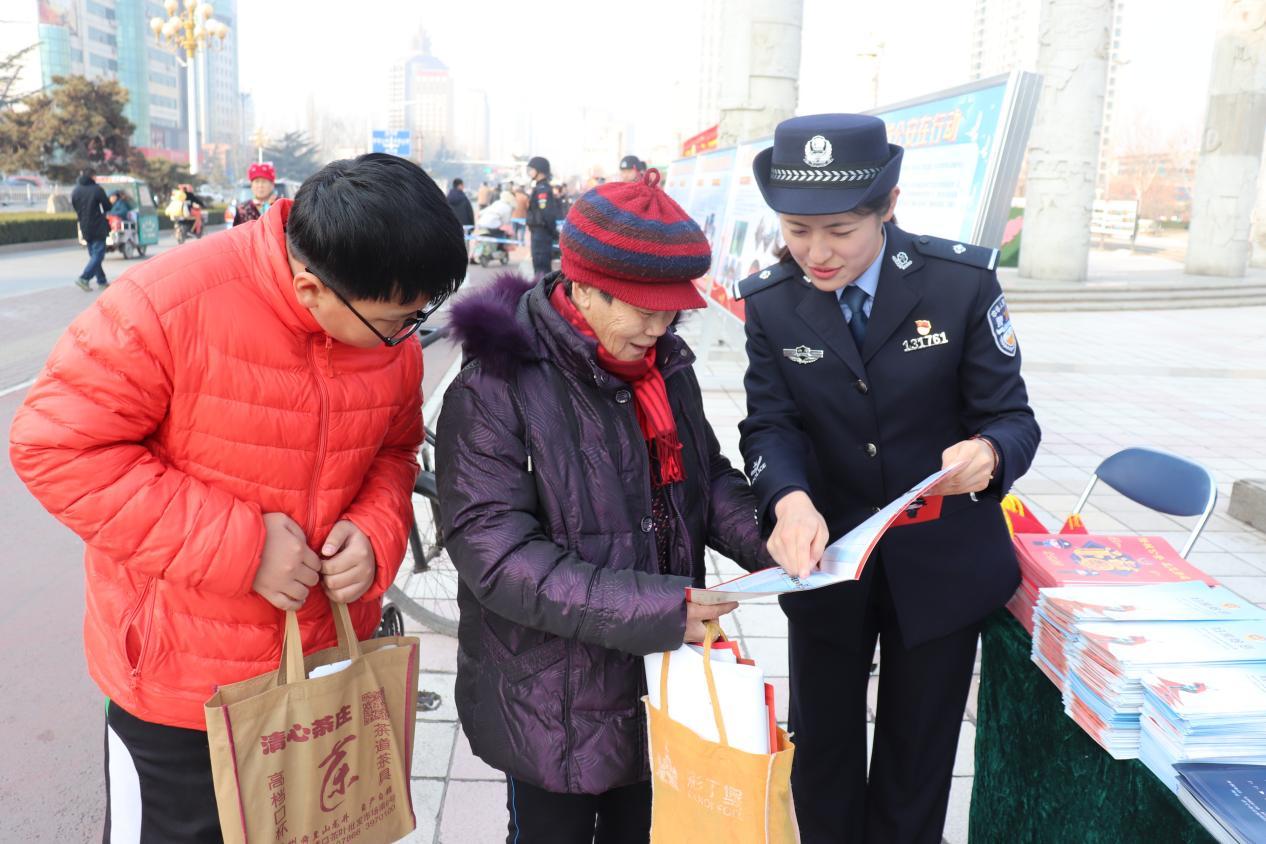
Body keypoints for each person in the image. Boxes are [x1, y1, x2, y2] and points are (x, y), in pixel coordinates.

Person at [9, 152, 468, 842]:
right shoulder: (164, 304)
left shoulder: (384, 327)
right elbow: (54, 447)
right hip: (183, 689)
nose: (409, 336)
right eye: (398, 320)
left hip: (320, 673)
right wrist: (244, 548)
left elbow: (395, 451)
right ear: (312, 289)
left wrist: (375, 533)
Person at [437, 170, 772, 844]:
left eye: (670, 309)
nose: (659, 326)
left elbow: (702, 480)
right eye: (640, 309)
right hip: (550, 697)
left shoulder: (663, 366)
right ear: (581, 286)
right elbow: (496, 557)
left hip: (657, 683)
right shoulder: (495, 386)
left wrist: (776, 537)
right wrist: (660, 609)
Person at [735, 113, 1041, 843]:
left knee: (918, 759)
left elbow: (1013, 418)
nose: (816, 252)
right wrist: (789, 499)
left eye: (839, 230)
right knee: (824, 754)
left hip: (941, 562)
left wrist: (989, 456)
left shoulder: (959, 284)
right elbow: (770, 425)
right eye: (797, 230)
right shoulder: (773, 301)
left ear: (890, 204)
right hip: (827, 559)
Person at [71, 167, 110, 291]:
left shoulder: (76, 191)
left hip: (84, 227)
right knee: (98, 255)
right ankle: (84, 278)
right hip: (98, 226)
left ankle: (102, 281)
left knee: (94, 255)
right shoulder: (97, 190)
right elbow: (107, 206)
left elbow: (75, 207)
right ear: (92, 176)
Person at [525, 155, 560, 276]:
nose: (529, 172)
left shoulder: (543, 189)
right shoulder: (540, 187)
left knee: (541, 269)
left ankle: (543, 294)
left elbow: (547, 213)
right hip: (539, 233)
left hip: (541, 234)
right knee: (540, 267)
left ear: (539, 170)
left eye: (531, 169)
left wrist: (552, 231)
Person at [232, 161, 279, 226]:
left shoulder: (280, 205)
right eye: (257, 182)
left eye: (264, 181)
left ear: (272, 184)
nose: (260, 185)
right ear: (251, 185)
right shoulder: (242, 209)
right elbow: (236, 233)